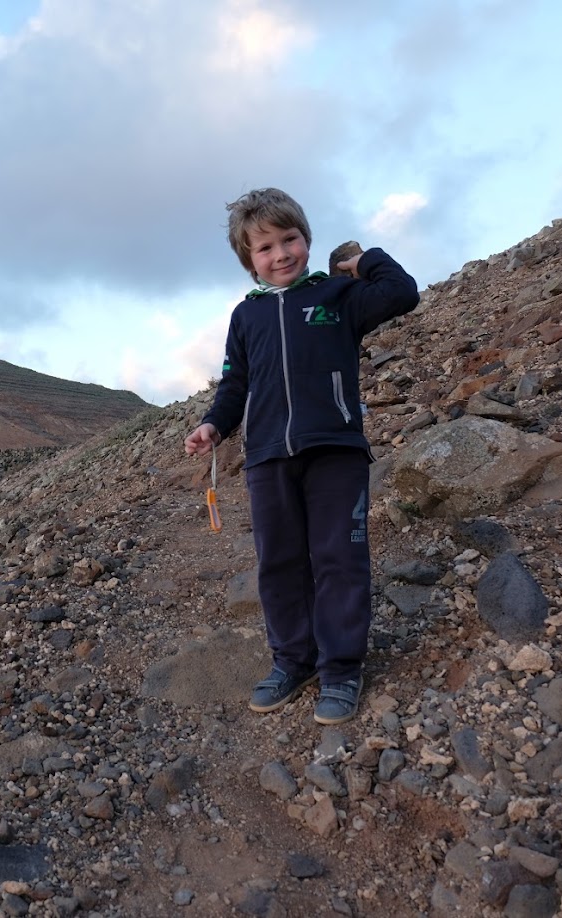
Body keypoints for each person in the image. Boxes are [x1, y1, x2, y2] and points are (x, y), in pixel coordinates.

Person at [184, 188, 419, 725]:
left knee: (340, 558)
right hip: (267, 457)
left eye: (289, 239)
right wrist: (213, 425)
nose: (281, 253)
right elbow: (235, 383)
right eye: (264, 247)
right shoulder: (247, 317)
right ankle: (294, 660)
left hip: (335, 449)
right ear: (250, 261)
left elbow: (402, 293)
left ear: (307, 240)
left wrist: (361, 261)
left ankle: (341, 668)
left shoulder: (338, 296)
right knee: (280, 564)